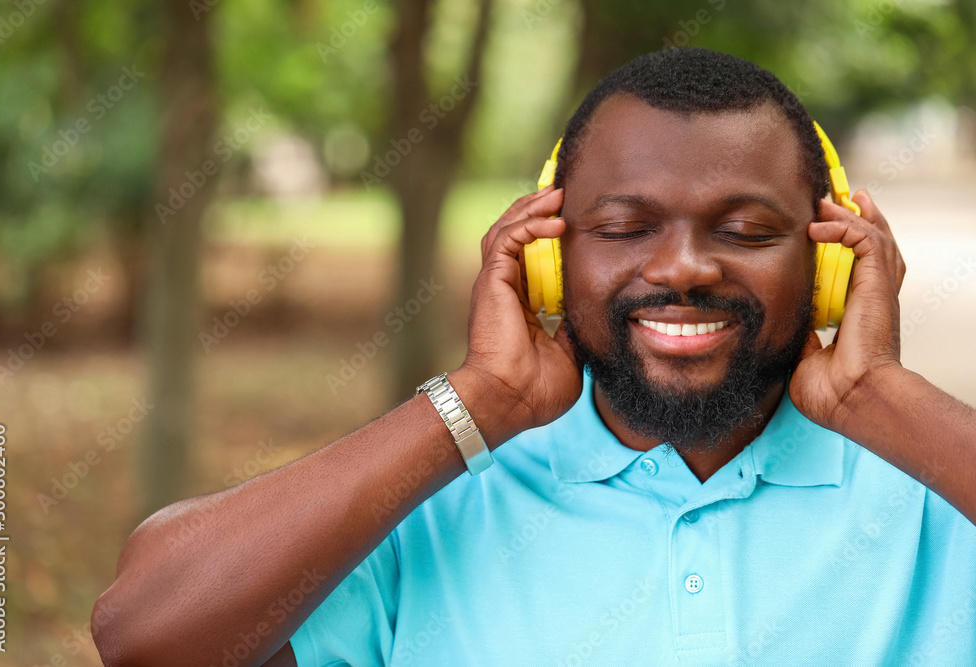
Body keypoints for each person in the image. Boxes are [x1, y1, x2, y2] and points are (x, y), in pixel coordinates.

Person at [92, 48, 976, 667]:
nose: (681, 268)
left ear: (830, 261)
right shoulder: (434, 502)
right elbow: (147, 633)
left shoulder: (934, 490)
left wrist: (876, 395)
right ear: (548, 255)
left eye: (745, 231)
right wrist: (477, 402)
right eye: (624, 227)